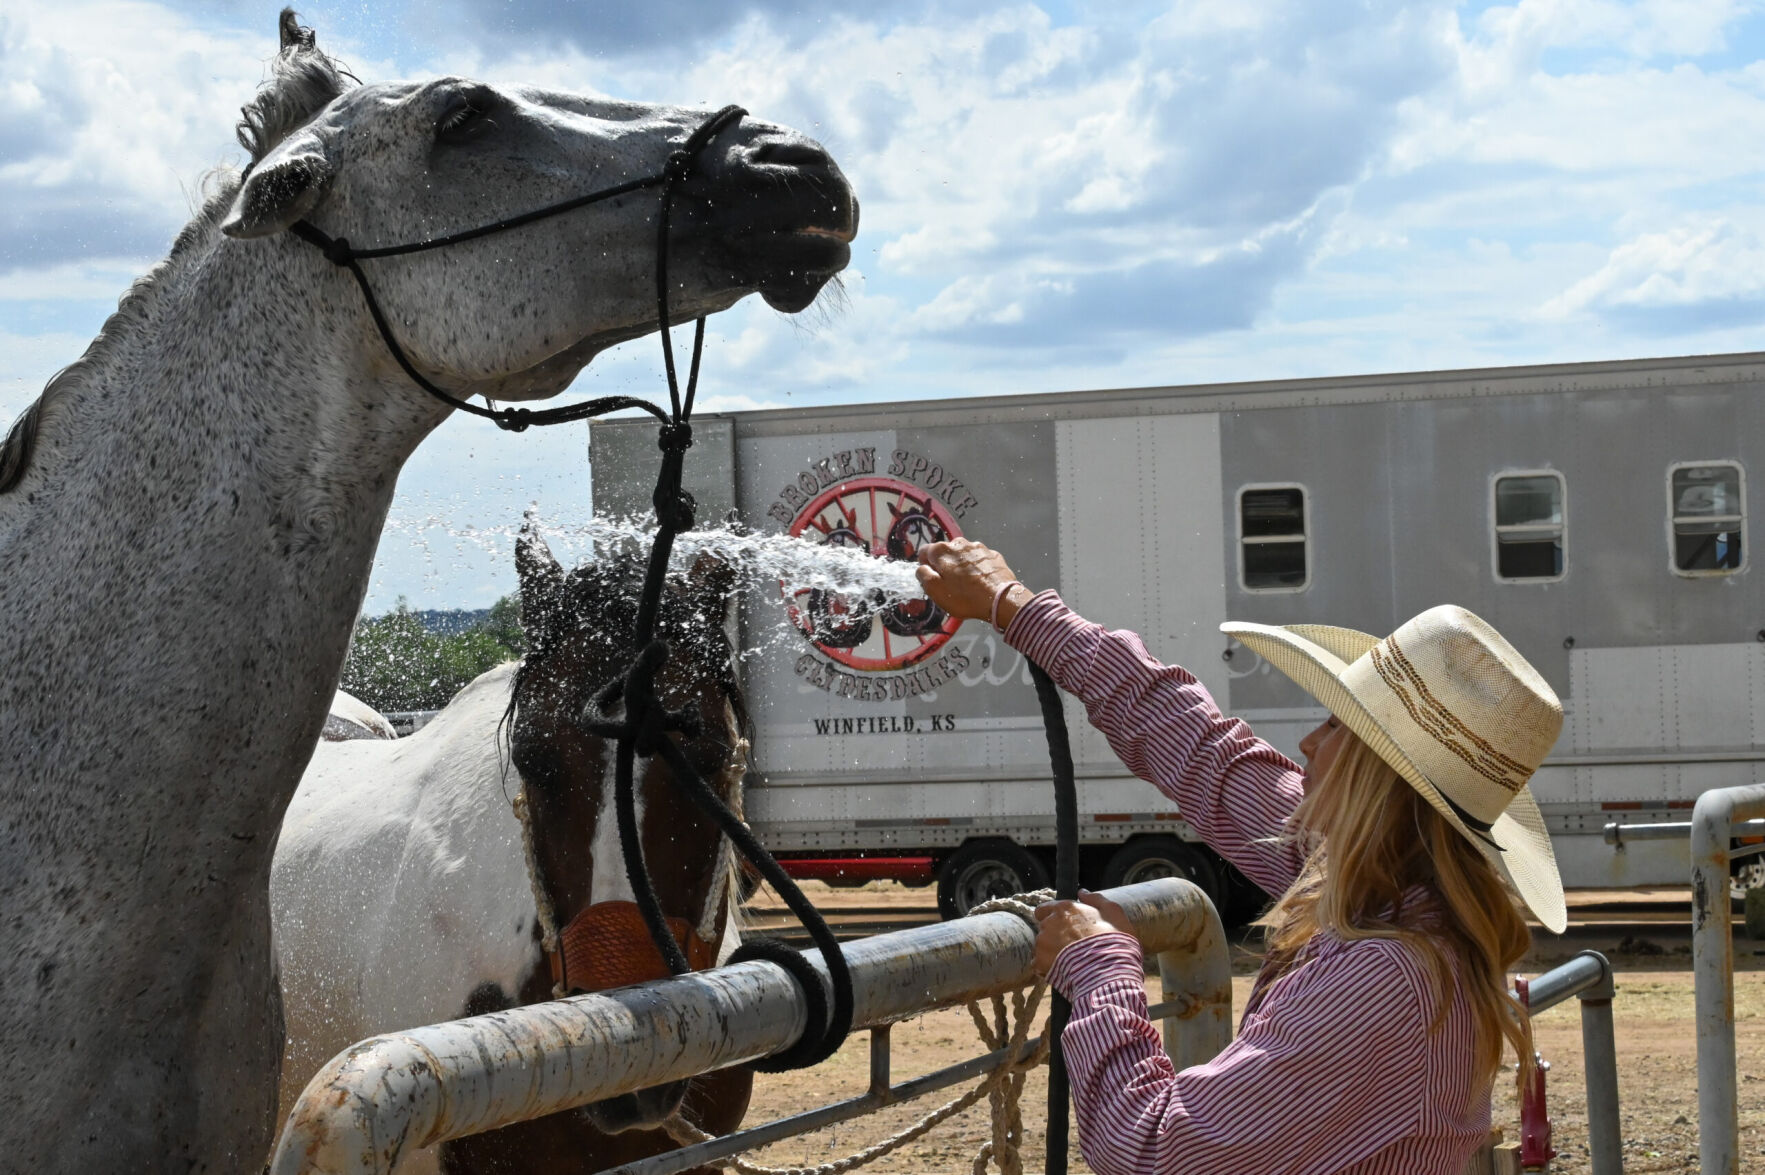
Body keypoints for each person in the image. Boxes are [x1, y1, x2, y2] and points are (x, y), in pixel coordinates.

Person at [915, 537, 1567, 1175]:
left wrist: (1099, 967)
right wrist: (1015, 607)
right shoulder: (1381, 893)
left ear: (1380, 780)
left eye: (1337, 726)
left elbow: (1152, 1148)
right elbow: (1203, 750)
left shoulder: (1384, 976)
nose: (1309, 742)